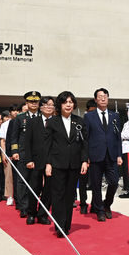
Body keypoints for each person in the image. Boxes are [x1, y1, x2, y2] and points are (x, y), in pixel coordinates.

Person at [45, 91, 88, 237]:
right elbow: (48, 145)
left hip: (74, 164)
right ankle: (59, 225)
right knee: (58, 195)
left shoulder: (80, 121)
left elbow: (84, 143)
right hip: (57, 163)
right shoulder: (52, 122)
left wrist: (84, 160)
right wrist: (48, 163)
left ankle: (66, 225)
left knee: (70, 196)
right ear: (60, 105)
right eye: (65, 102)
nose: (68, 105)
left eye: (70, 102)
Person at [83, 88, 123, 221]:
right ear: (95, 100)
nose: (103, 98)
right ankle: (99, 210)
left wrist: (119, 155)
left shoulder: (114, 116)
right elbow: (86, 137)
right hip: (95, 155)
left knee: (114, 182)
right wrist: (86, 156)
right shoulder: (89, 116)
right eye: (100, 96)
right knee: (96, 184)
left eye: (105, 96)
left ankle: (107, 204)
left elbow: (118, 137)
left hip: (111, 155)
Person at [20, 96, 55, 225]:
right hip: (35, 161)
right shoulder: (32, 121)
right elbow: (27, 143)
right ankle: (31, 213)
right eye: (46, 104)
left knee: (48, 190)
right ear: (41, 107)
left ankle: (43, 215)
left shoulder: (57, 122)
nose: (48, 107)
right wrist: (28, 159)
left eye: (51, 105)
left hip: (52, 161)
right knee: (34, 187)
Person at [7, 91, 41, 218]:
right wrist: (15, 152)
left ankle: (35, 205)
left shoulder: (42, 117)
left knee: (36, 182)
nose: (33, 103)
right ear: (26, 103)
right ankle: (24, 207)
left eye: (36, 101)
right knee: (22, 181)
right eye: (31, 101)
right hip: (23, 154)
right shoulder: (20, 118)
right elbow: (14, 137)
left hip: (38, 155)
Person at [0, 104, 19, 206]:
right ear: (10, 113)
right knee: (9, 176)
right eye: (13, 111)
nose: (15, 112)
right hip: (8, 153)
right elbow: (2, 140)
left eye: (17, 110)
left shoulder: (22, 121)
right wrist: (3, 154)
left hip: (20, 153)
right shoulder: (5, 124)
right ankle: (10, 196)